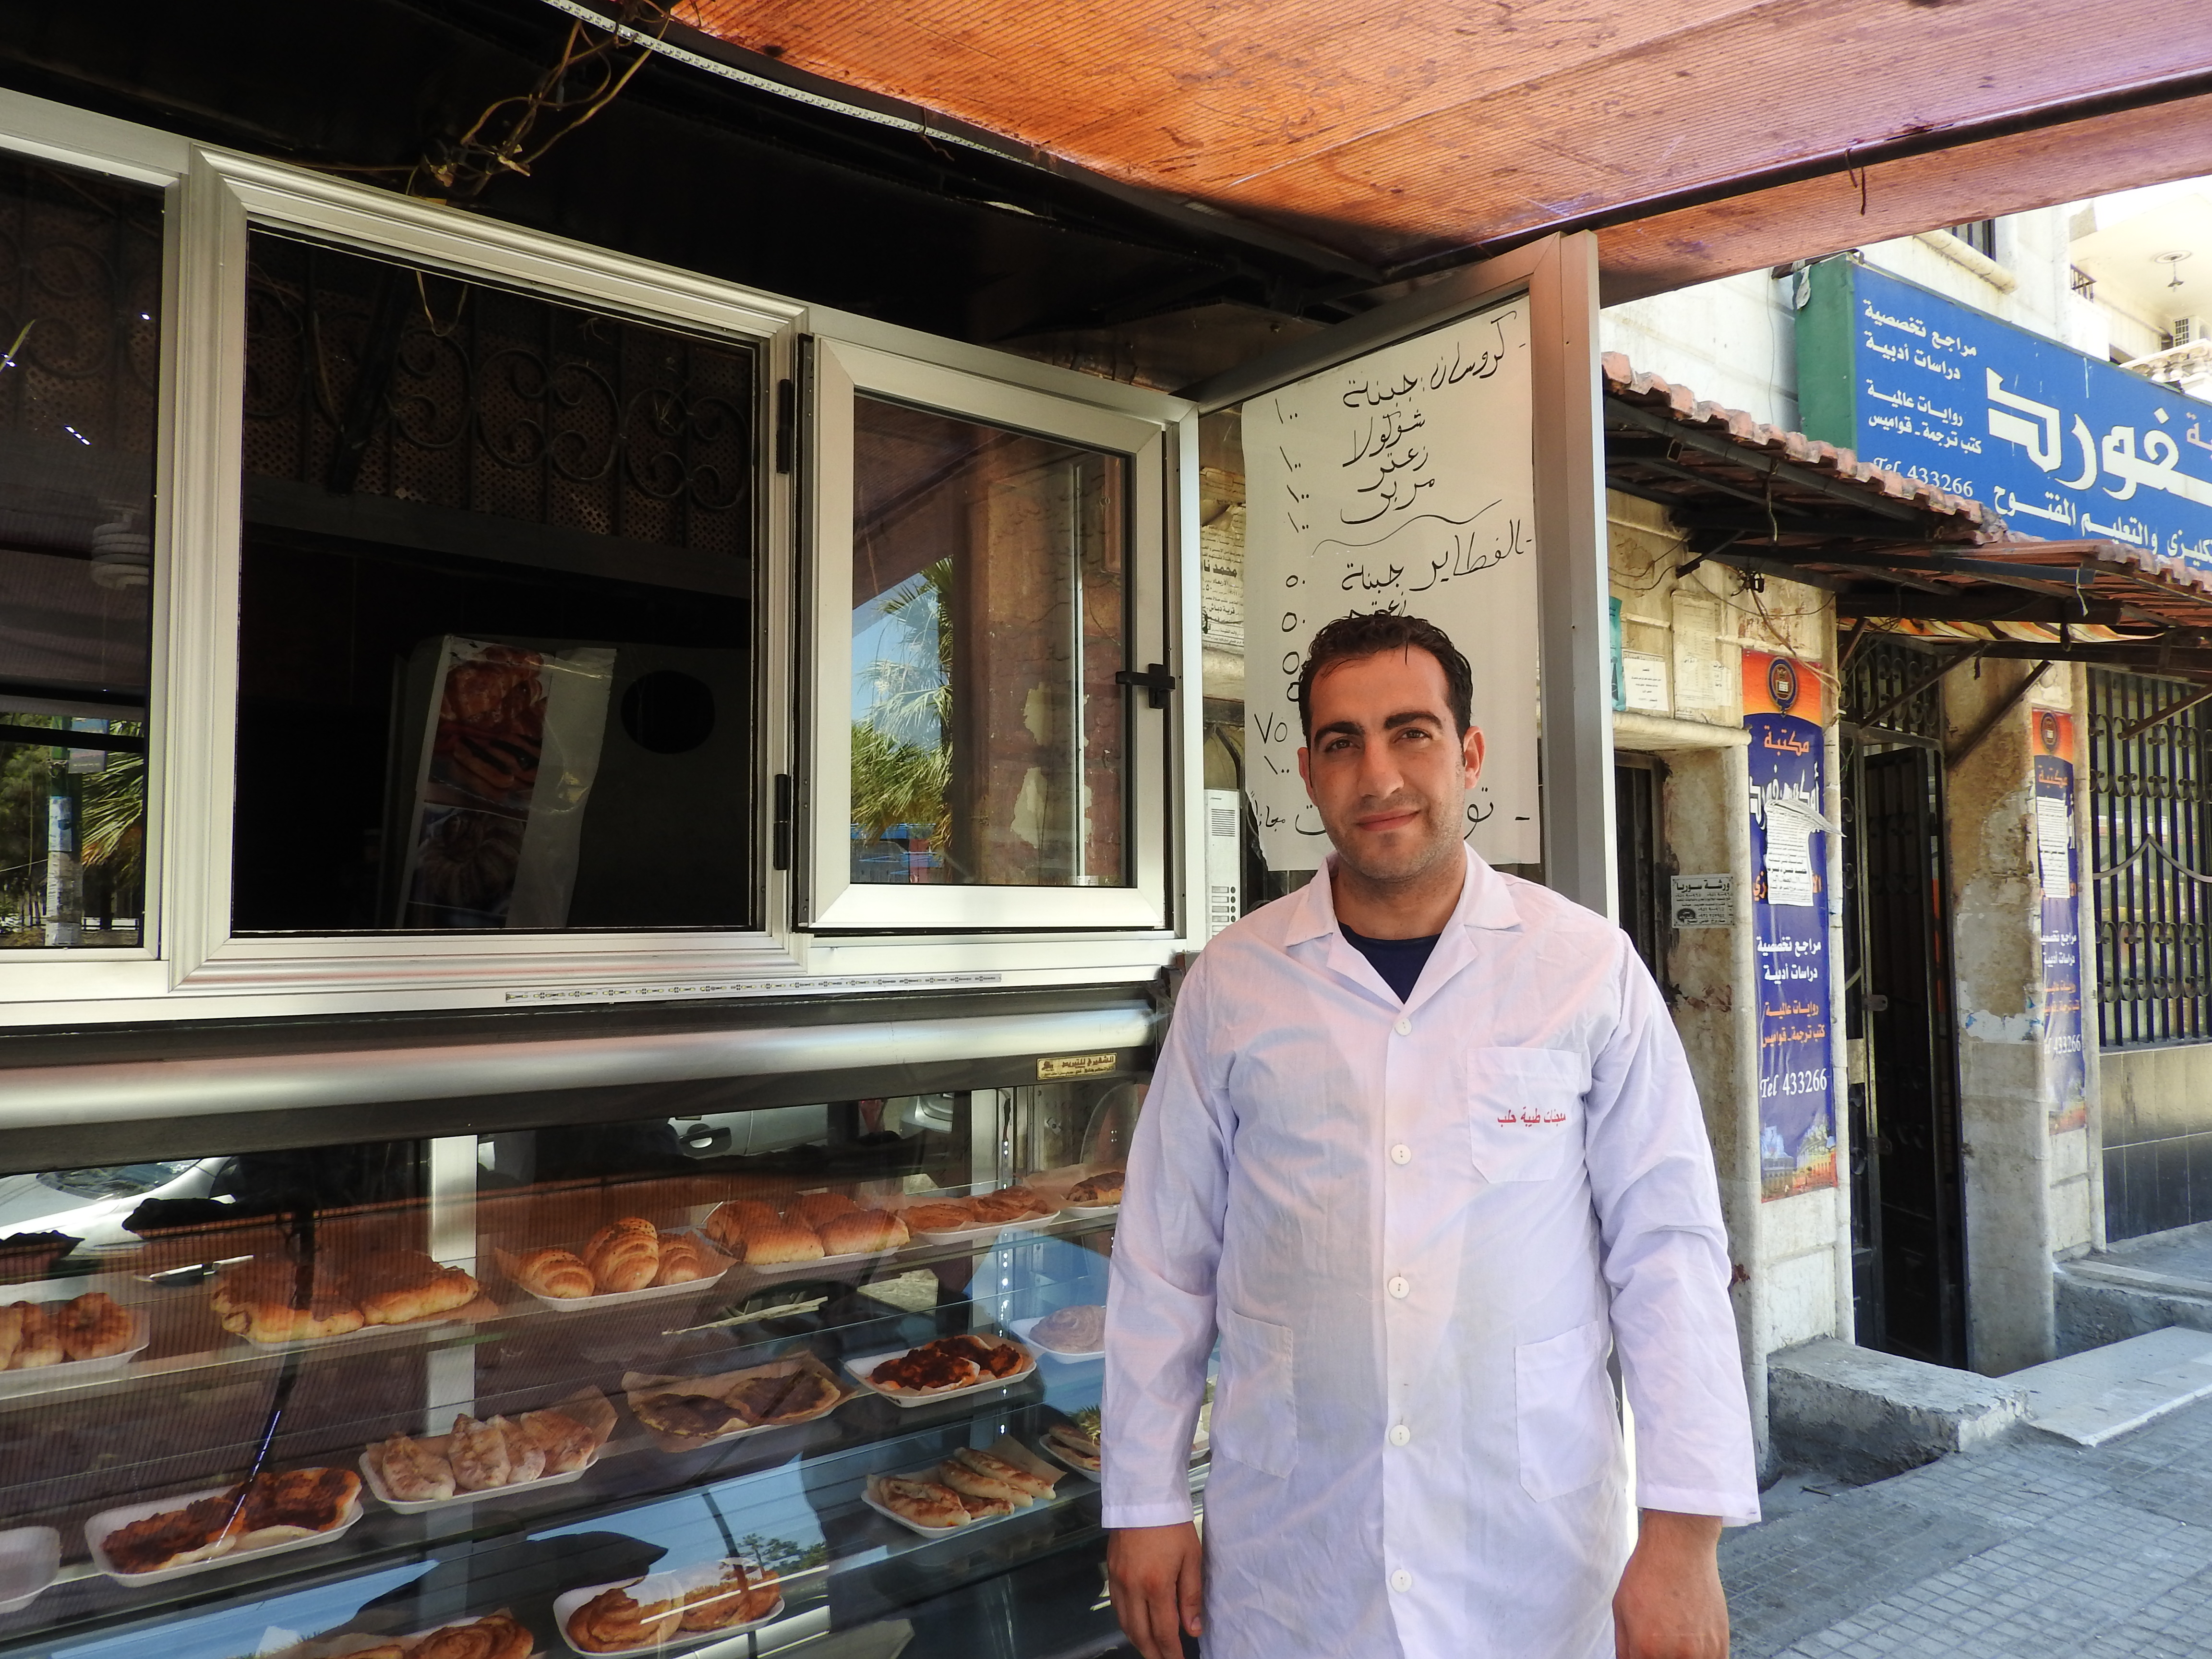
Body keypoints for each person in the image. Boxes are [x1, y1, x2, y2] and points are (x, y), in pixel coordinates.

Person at [1103, 612, 1758, 1659]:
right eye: (1341, 742)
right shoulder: (1234, 985)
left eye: (1411, 733)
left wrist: (1682, 1539)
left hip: (1534, 1554)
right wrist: (1142, 1498)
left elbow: (1669, 1253)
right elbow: (1164, 1259)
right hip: (1296, 1560)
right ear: (1309, 776)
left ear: (1469, 755)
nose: (1379, 775)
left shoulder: (1586, 970)